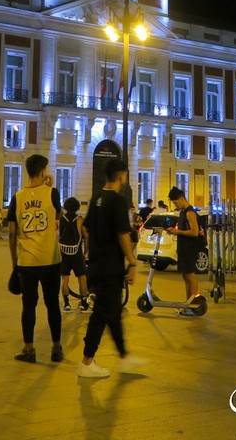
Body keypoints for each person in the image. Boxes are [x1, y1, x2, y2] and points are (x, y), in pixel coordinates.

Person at [78, 158, 147, 378]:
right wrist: (132, 262)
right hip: (110, 266)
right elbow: (123, 234)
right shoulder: (117, 201)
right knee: (102, 313)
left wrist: (94, 249)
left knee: (113, 311)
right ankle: (87, 361)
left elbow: (86, 227)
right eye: (125, 175)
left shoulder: (96, 196)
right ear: (121, 176)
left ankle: (124, 357)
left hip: (97, 264)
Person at [7, 153, 64, 364]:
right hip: (50, 259)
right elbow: (59, 215)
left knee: (28, 306)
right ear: (43, 171)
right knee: (53, 304)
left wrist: (15, 262)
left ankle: (29, 348)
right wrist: (50, 186)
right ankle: (56, 347)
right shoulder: (53, 193)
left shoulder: (18, 197)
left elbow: (12, 234)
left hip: (27, 262)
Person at [166, 185, 202, 314]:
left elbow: (194, 232)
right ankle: (188, 304)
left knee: (190, 275)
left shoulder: (190, 212)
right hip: (183, 248)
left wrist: (177, 232)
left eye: (175, 202)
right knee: (185, 276)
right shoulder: (182, 212)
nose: (175, 205)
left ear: (181, 198)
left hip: (190, 248)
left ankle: (194, 304)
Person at [58, 196, 89, 312]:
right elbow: (86, 237)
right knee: (82, 278)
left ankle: (66, 304)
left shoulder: (61, 219)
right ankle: (83, 303)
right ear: (77, 207)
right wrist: (86, 251)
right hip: (76, 253)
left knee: (65, 279)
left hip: (64, 253)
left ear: (65, 207)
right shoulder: (80, 219)